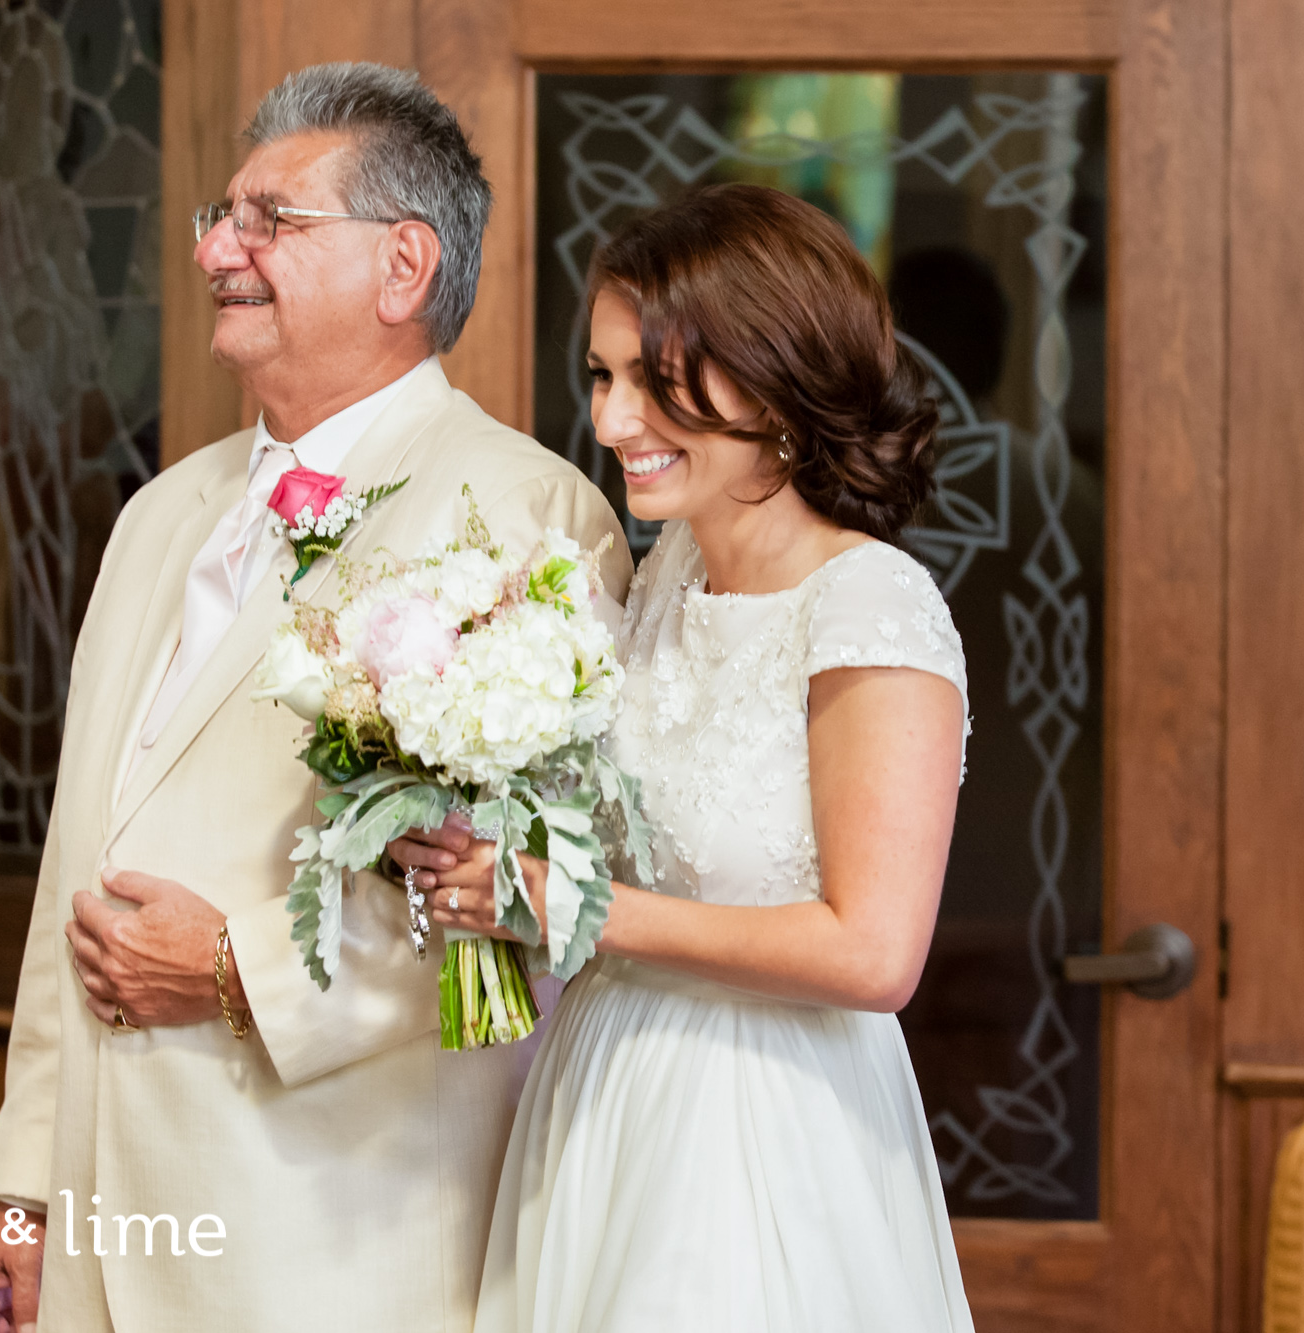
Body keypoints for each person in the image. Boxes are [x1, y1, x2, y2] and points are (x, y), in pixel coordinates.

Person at [0, 63, 630, 1333]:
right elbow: (75, 868)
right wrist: (24, 1181)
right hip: (108, 1205)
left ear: (402, 265)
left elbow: (530, 907)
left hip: (326, 1225)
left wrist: (236, 969)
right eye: (224, 216)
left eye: (272, 220)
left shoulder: (530, 516)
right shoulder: (162, 513)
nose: (219, 246)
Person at [390, 182, 976, 1332]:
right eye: (603, 379)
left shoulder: (867, 605)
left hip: (762, 1117)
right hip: (602, 1085)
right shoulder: (657, 575)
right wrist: (469, 828)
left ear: (780, 384)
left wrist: (570, 907)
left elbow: (874, 953)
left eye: (655, 384)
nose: (611, 423)